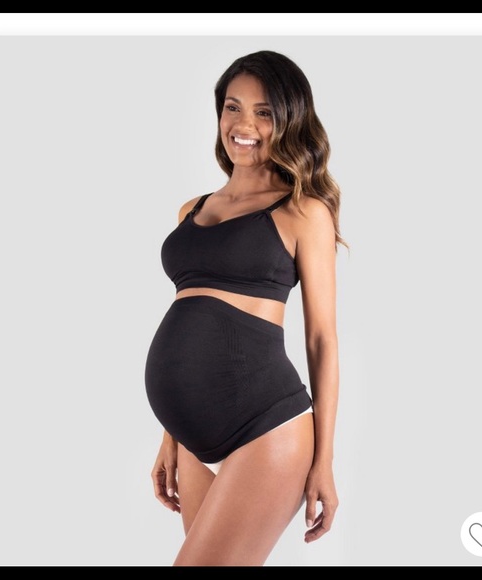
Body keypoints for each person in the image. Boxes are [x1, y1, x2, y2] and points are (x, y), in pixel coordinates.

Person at [144, 49, 346, 566]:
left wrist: (324, 461)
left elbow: (321, 339)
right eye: (233, 107)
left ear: (290, 121)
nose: (244, 125)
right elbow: (189, 317)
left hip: (265, 426)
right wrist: (171, 435)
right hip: (192, 440)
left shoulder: (303, 211)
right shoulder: (192, 210)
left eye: (264, 113)